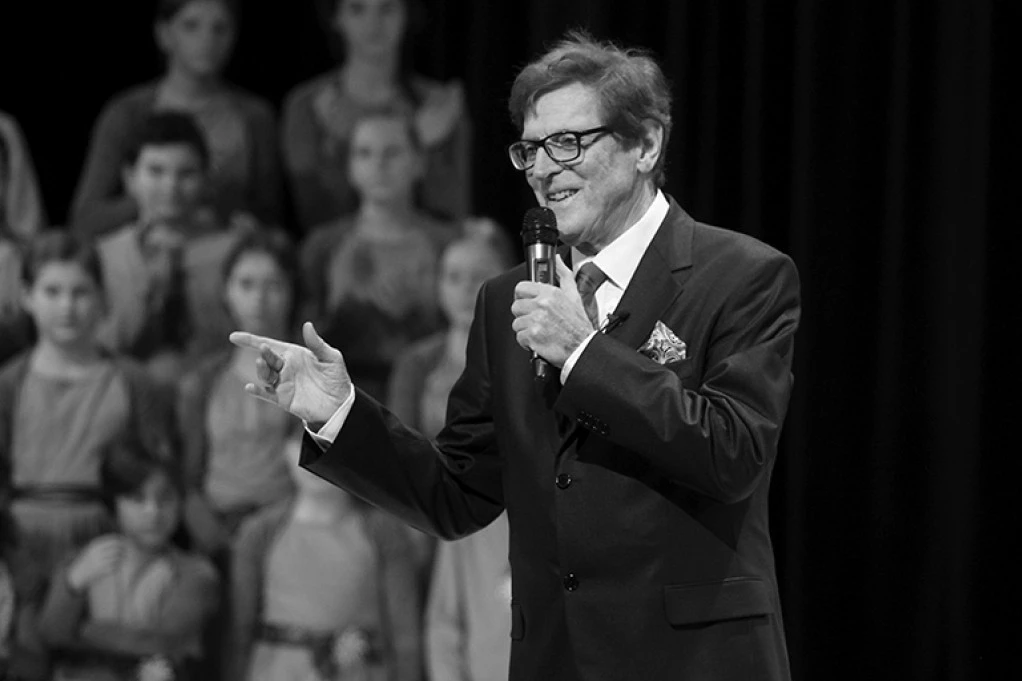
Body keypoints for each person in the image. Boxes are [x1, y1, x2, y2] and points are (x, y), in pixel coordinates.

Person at [232, 31, 800, 681]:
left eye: (568, 142)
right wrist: (339, 413)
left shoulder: (742, 276)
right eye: (530, 149)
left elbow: (732, 453)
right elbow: (456, 494)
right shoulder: (509, 298)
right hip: (554, 659)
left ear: (646, 144)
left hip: (694, 661)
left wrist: (583, 352)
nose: (543, 169)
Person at [0, 231, 175, 676]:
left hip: (104, 540)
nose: (67, 306)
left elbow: (153, 476)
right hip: (18, 540)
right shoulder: (9, 383)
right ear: (27, 297)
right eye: (52, 292)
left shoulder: (131, 381)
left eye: (80, 292)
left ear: (101, 299)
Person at [384, 223, 516, 681]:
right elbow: (398, 449)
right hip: (430, 508)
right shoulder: (417, 362)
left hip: (498, 511)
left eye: (478, 276)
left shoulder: (526, 351)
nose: (464, 289)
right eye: (453, 276)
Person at [71, 0, 281, 239]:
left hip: (220, 247)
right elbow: (86, 219)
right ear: (164, 34)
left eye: (220, 28)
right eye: (191, 26)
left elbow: (271, 217)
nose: (207, 39)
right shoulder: (128, 113)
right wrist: (162, 200)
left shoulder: (255, 117)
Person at [228, 431, 420, 681]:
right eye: (305, 442)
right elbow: (239, 629)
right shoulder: (259, 532)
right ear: (286, 451)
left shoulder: (383, 533)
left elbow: (405, 633)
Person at [300, 109, 457, 402]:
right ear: (349, 166)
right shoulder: (324, 245)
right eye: (364, 153)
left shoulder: (447, 243)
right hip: (343, 398)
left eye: (392, 152)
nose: (379, 165)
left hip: (431, 397)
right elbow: (305, 329)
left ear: (419, 162)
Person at [37, 436, 220, 680]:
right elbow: (50, 633)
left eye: (165, 499)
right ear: (113, 503)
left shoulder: (195, 573)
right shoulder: (85, 559)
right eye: (137, 499)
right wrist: (73, 583)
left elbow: (160, 642)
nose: (153, 512)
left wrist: (80, 630)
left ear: (180, 503)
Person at [282, 0, 470, 232]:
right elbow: (313, 218)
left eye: (387, 8)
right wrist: (342, 147)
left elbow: (452, 219)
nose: (373, 24)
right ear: (336, 17)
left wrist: (425, 150)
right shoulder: (306, 106)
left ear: (407, 14)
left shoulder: (436, 106)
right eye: (357, 9)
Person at [176, 228, 301, 557]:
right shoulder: (202, 381)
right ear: (226, 292)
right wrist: (212, 538)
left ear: (292, 292)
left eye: (273, 286)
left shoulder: (310, 378)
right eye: (246, 285)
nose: (259, 298)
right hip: (217, 526)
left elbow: (319, 477)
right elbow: (188, 479)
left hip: (287, 529)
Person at [95, 111, 240, 377]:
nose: (170, 186)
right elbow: (93, 346)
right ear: (130, 177)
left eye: (186, 174)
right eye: (156, 171)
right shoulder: (105, 255)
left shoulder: (237, 252)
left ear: (206, 178)